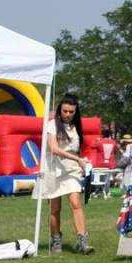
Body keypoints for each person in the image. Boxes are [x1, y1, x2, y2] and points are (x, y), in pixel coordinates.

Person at [35, 93, 95, 254]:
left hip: (71, 170)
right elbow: (54, 149)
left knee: (76, 203)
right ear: (59, 110)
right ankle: (56, 239)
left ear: (76, 112)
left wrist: (83, 160)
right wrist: (78, 159)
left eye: (71, 112)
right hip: (53, 169)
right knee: (55, 209)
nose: (68, 114)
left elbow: (77, 149)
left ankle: (83, 241)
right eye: (65, 111)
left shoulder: (76, 128)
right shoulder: (51, 125)